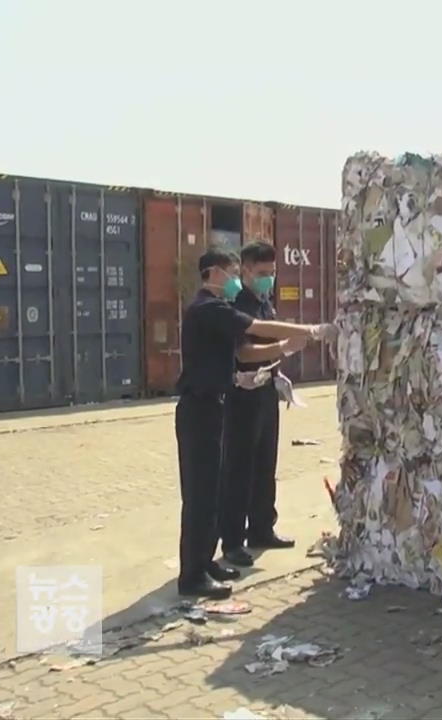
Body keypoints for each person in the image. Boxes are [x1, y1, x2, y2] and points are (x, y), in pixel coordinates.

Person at [175, 248, 330, 599]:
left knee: (212, 490)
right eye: (230, 272)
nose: (233, 279)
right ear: (214, 273)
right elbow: (255, 331)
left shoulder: (220, 308)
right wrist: (312, 330)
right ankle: (192, 576)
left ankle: (204, 562)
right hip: (200, 408)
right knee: (200, 495)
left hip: (215, 403)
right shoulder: (209, 308)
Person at [219, 242, 292, 569]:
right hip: (241, 396)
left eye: (272, 273)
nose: (268, 279)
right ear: (245, 270)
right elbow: (244, 352)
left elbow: (269, 349)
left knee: (266, 464)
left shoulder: (265, 304)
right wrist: (285, 346)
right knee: (239, 469)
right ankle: (233, 541)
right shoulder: (237, 306)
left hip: (264, 392)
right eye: (262, 274)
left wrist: (278, 373)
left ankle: (262, 528)